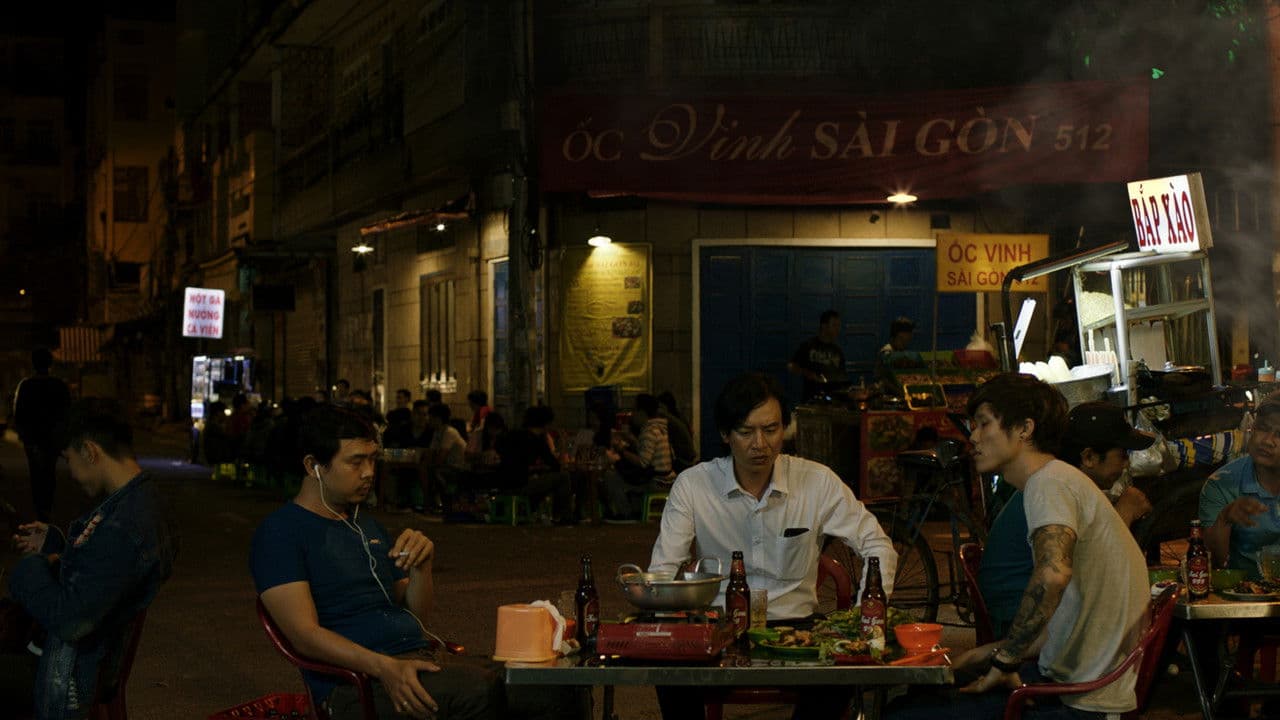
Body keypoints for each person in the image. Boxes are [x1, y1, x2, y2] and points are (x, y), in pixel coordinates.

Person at [249, 404, 579, 720]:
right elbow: (304, 635)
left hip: (420, 659)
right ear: (313, 466)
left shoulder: (367, 526)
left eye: (372, 460)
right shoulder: (280, 533)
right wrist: (384, 667)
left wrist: (422, 566)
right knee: (478, 692)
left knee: (551, 682)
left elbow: (415, 615)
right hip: (355, 685)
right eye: (356, 462)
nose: (369, 473)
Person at [888, 374, 1149, 720]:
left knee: (903, 714)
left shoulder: (1049, 483)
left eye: (984, 424)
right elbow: (1065, 620)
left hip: (1082, 704)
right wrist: (990, 654)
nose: (973, 437)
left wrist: (1006, 660)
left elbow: (1053, 574)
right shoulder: (1057, 479)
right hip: (1075, 684)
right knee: (922, 696)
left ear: (1025, 429)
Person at [649, 372, 896, 720]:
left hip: (799, 629)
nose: (760, 444)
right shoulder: (693, 486)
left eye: (771, 429)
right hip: (718, 629)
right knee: (667, 671)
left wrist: (864, 616)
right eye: (746, 432)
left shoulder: (817, 481)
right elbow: (663, 570)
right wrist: (666, 628)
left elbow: (878, 546)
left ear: (785, 429)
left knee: (842, 674)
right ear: (725, 434)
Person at [3, 398, 177, 719]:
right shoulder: (139, 502)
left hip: (67, 676)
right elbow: (99, 573)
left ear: (89, 451)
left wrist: (30, 569)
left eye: (69, 458)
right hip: (81, 662)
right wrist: (54, 543)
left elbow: (69, 620)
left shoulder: (125, 527)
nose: (70, 472)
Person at [979, 400, 1155, 637]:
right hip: (1018, 620)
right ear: (1089, 457)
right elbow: (1094, 566)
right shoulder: (1056, 487)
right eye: (1122, 455)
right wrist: (1126, 511)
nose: (1126, 464)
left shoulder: (1067, 482)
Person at [1200, 395, 1280, 577]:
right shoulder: (1221, 484)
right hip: (1244, 589)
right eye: (1263, 428)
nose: (1268, 441)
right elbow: (1213, 564)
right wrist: (1224, 519)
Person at [11, 348, 71, 522]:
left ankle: (40, 508)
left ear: (33, 364)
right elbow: (67, 412)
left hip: (32, 438)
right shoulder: (59, 385)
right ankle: (47, 507)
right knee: (49, 471)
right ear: (50, 363)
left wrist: (23, 434)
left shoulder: (26, 385)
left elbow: (18, 413)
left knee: (36, 472)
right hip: (52, 437)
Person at [493, 406, 574, 524]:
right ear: (546, 424)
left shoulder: (512, 434)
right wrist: (562, 445)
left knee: (546, 481)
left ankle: (535, 511)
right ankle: (564, 516)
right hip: (519, 485)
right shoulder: (537, 440)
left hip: (502, 482)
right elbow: (556, 466)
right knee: (563, 477)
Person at [604, 394, 675, 520]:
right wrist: (633, 440)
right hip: (668, 478)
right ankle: (635, 510)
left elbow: (643, 462)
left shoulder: (649, 431)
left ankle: (625, 514)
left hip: (656, 482)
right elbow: (649, 452)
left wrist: (622, 451)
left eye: (634, 410)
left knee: (611, 476)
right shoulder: (660, 428)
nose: (632, 415)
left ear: (642, 412)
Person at [788, 310, 846, 401]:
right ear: (824, 326)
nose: (838, 329)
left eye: (838, 326)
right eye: (834, 325)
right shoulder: (809, 346)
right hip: (811, 399)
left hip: (831, 400)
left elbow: (842, 376)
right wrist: (807, 373)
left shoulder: (837, 351)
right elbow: (791, 366)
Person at [656, 391, 698, 473]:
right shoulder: (679, 416)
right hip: (689, 458)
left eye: (660, 407)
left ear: (664, 406)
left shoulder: (668, 419)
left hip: (682, 460)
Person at [875, 317, 917, 390]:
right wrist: (899, 392)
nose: (911, 336)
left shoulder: (902, 351)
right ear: (899, 334)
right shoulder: (887, 353)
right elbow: (884, 380)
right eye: (909, 332)